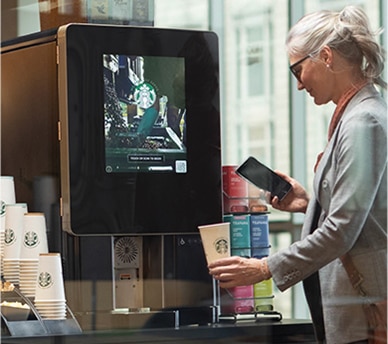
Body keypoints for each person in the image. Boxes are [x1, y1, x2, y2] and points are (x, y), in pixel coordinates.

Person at [208, 6, 387, 344]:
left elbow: (343, 230)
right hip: (355, 312)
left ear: (326, 56)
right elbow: (362, 214)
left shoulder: (363, 121)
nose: (299, 85)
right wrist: (309, 204)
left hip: (364, 316)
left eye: (297, 70)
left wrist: (264, 268)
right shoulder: (354, 117)